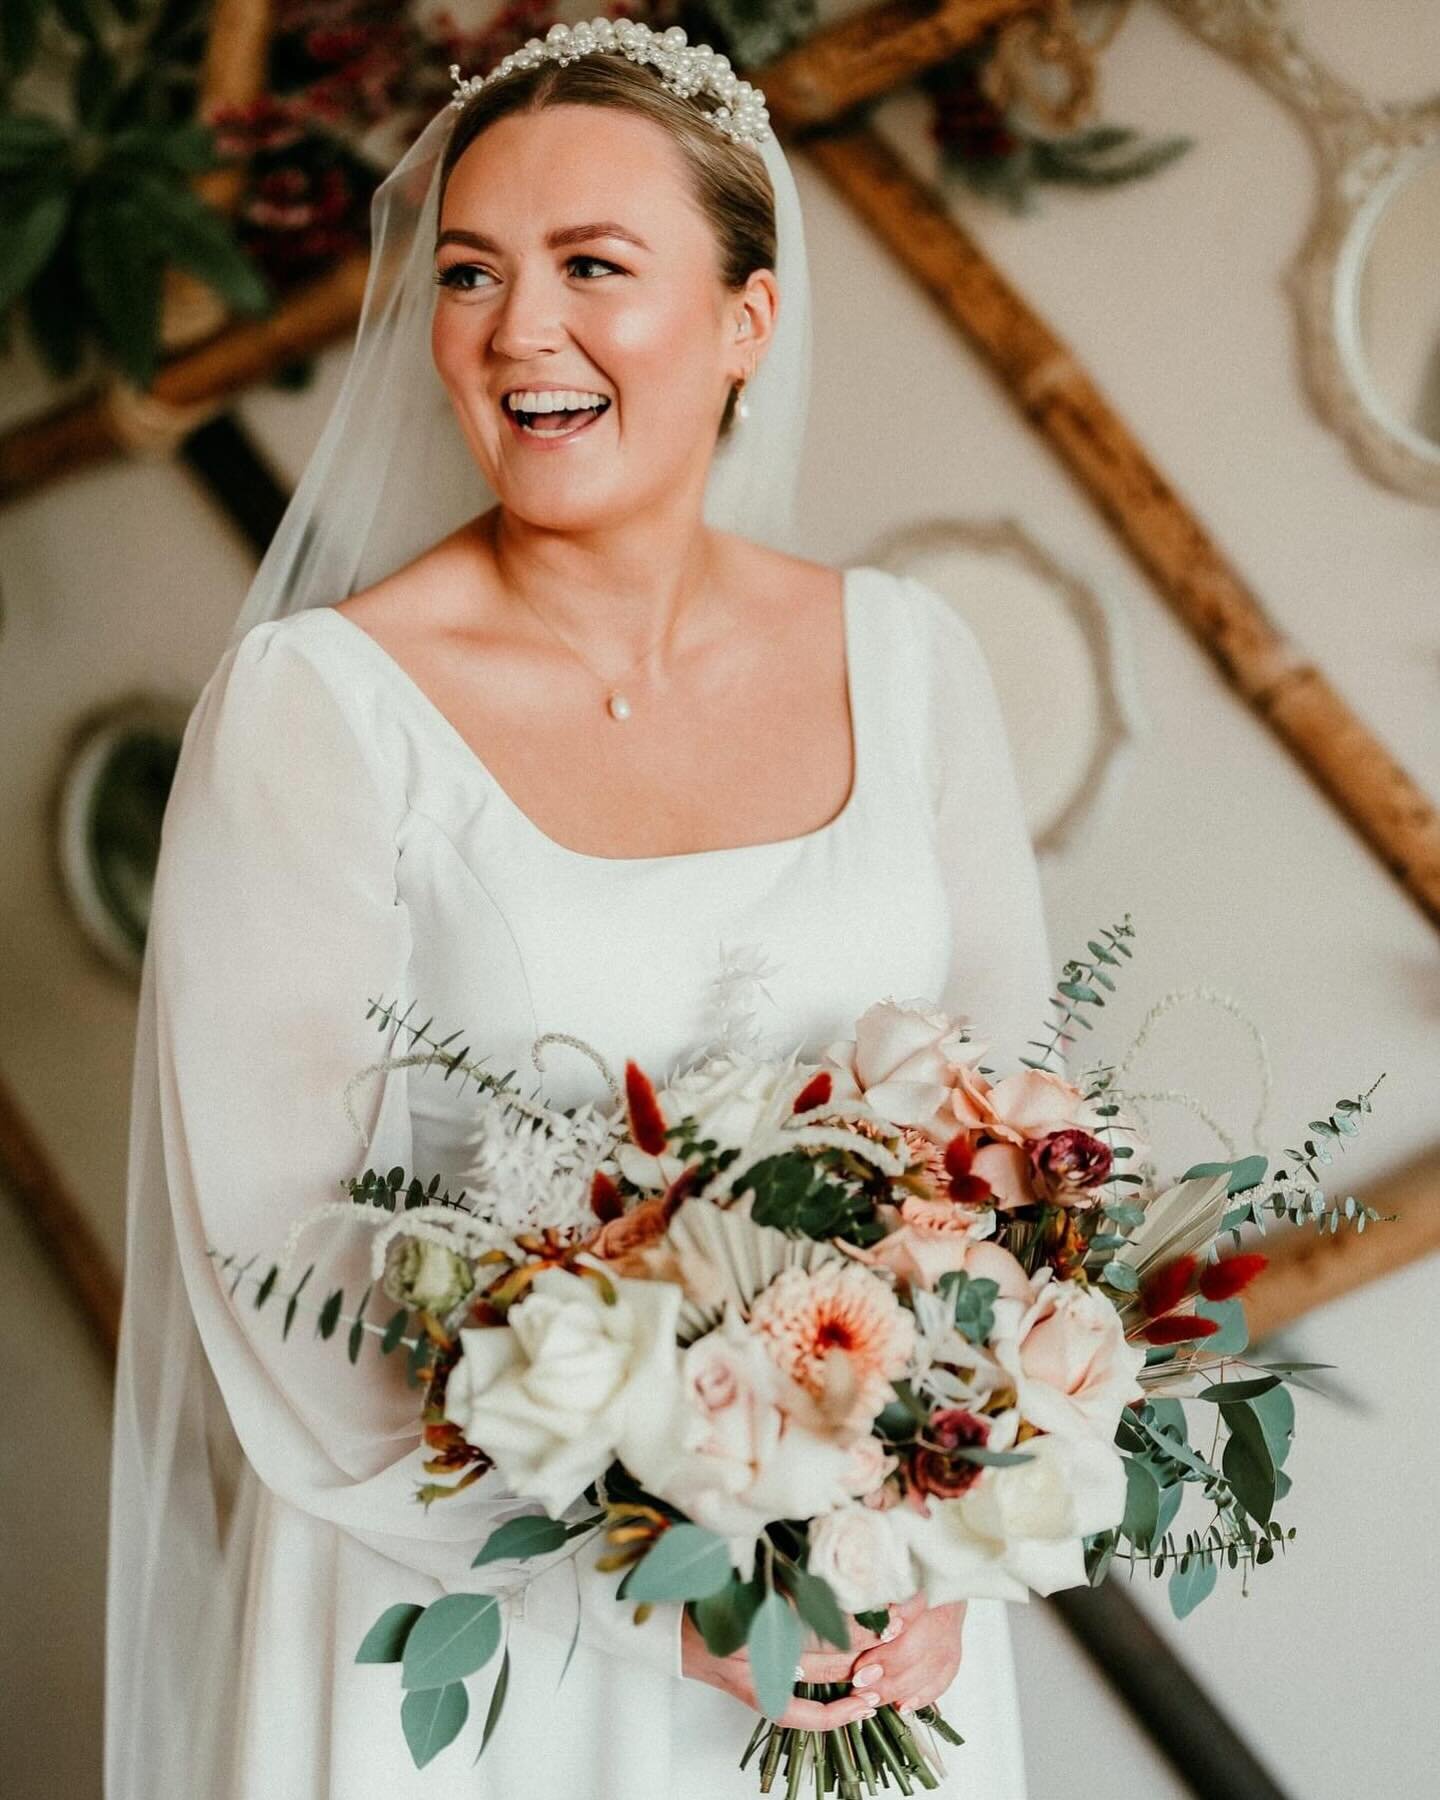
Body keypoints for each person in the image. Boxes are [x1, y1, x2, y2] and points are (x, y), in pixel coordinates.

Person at [105, 19, 1052, 1798]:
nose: (516, 330)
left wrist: (949, 1519)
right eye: (471, 272)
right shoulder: (321, 709)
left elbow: (1018, 1148)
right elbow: (279, 1261)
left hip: (862, 1627)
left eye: (591, 267)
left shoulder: (912, 664)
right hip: (479, 1650)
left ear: (748, 322)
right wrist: (664, 1588)